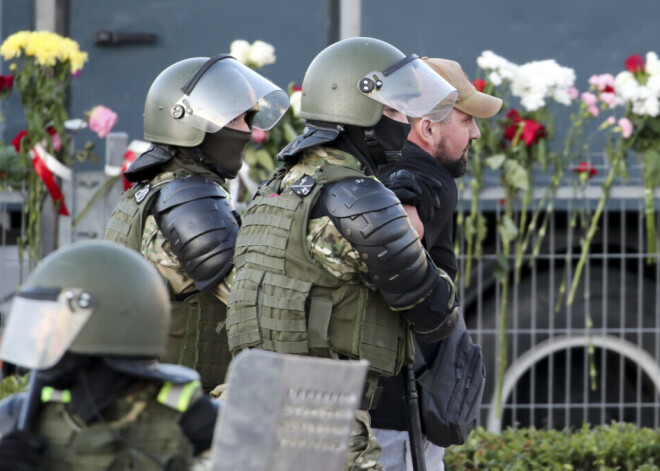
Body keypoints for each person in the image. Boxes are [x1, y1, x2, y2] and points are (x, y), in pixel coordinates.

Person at [225, 37, 461, 471]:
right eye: (392, 110)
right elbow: (436, 308)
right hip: (323, 425)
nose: (405, 122)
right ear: (359, 111)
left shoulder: (275, 187)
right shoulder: (357, 197)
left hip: (253, 410)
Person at [104, 55, 289, 392]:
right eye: (235, 119)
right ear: (190, 123)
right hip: (175, 412)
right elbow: (257, 305)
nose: (248, 131)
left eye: (247, 118)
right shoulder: (190, 200)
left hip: (143, 398)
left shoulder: (150, 191)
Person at [371, 57, 502, 471]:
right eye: (466, 121)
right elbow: (416, 191)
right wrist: (405, 204)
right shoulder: (426, 174)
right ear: (427, 128)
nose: (476, 133)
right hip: (400, 419)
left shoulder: (363, 168)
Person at [0, 240, 219, 470]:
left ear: (103, 325)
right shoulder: (18, 417)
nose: (37, 333)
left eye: (51, 322)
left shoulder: (199, 426)